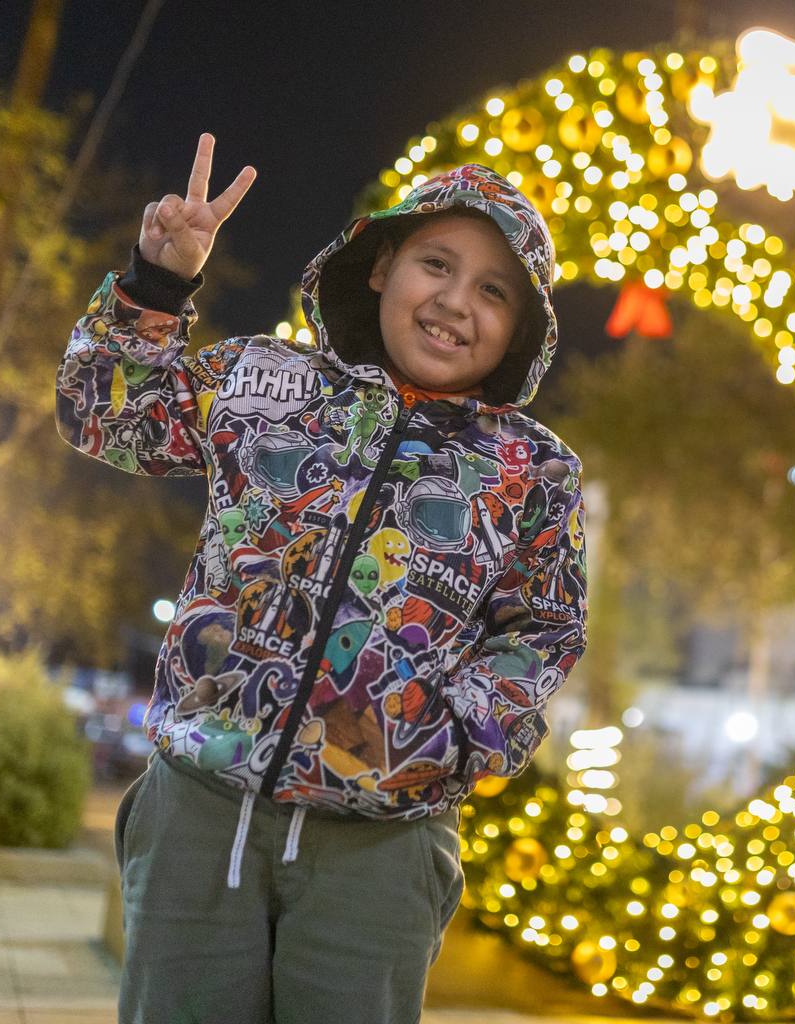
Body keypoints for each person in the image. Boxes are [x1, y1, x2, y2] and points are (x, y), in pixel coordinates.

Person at [55, 134, 588, 1023]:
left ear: (521, 326)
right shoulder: (264, 380)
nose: (456, 303)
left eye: (493, 290)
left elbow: (544, 630)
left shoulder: (532, 471)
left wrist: (451, 740)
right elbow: (108, 416)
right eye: (437, 264)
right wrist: (157, 284)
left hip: (380, 848)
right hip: (199, 809)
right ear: (381, 267)